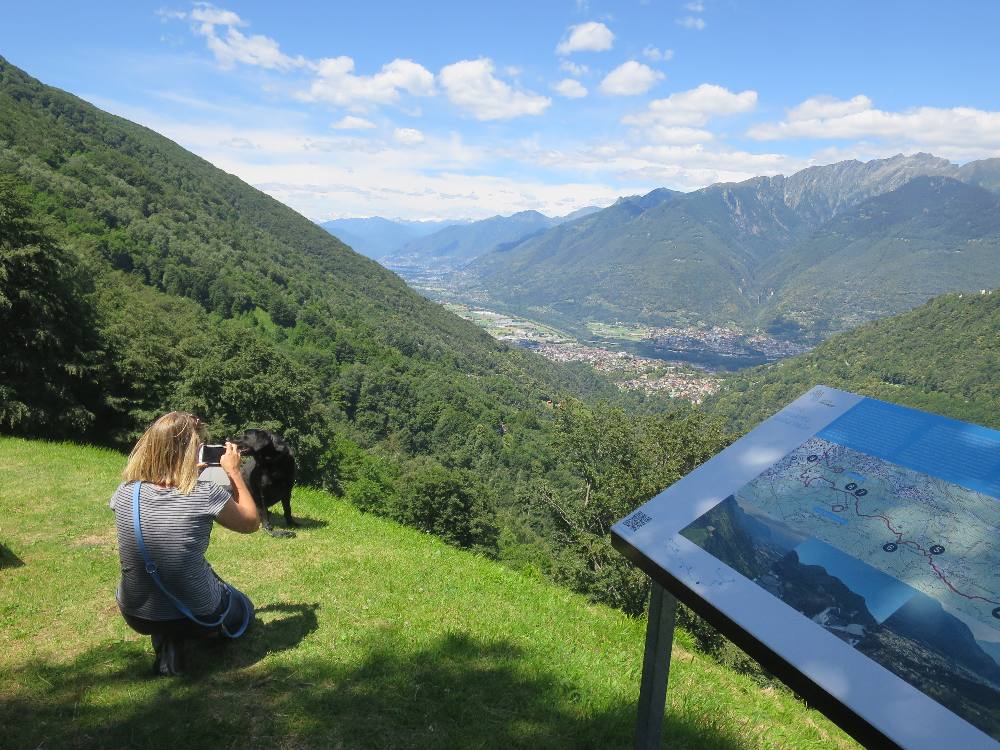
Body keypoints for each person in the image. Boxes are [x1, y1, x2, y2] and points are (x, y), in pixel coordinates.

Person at [109, 411, 261, 675]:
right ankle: (189, 634)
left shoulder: (125, 492)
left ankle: (169, 642)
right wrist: (235, 473)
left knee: (170, 591)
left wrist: (181, 473)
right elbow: (250, 523)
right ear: (192, 450)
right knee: (242, 605)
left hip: (136, 613)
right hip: (200, 614)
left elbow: (161, 506)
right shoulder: (205, 492)